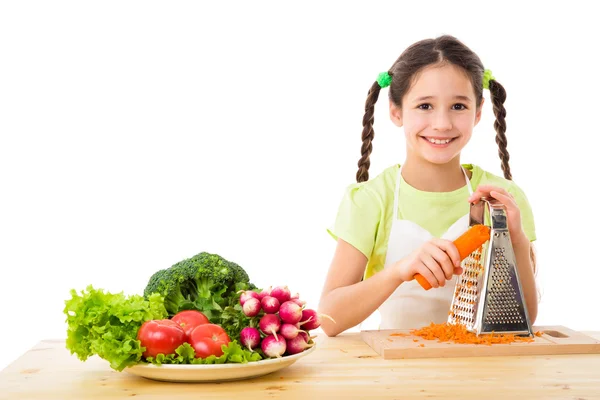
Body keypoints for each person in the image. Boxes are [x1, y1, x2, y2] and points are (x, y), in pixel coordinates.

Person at [318, 35, 538, 337]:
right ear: (396, 111)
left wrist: (517, 239)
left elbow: (527, 315)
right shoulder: (371, 200)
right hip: (397, 375)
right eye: (424, 106)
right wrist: (398, 271)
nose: (442, 123)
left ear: (478, 113)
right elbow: (329, 319)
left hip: (485, 372)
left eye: (458, 106)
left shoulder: (505, 198)